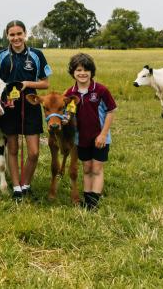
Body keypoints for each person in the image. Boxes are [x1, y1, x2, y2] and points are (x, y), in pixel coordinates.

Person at [0, 20, 51, 201]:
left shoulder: (37, 55)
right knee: (13, 148)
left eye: (19, 34)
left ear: (25, 34)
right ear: (7, 36)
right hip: (8, 106)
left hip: (31, 104)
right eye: (12, 34)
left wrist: (27, 84)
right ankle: (17, 188)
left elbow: (45, 83)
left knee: (33, 152)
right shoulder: (0, 56)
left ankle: (26, 185)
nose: (16, 38)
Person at [64, 53, 116, 210]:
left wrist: (103, 134)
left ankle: (93, 202)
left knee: (97, 168)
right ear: (73, 72)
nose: (82, 73)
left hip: (100, 137)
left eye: (86, 70)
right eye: (79, 69)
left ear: (92, 72)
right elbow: (67, 113)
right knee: (86, 168)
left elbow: (111, 111)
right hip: (81, 138)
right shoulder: (69, 93)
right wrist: (65, 119)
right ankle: (87, 197)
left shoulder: (100, 90)